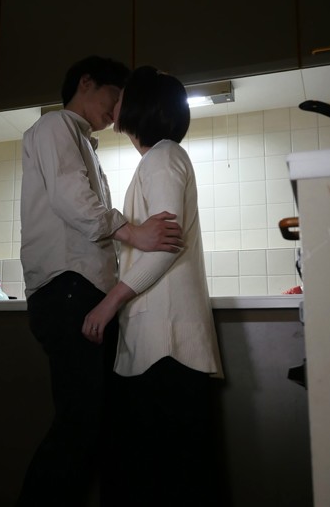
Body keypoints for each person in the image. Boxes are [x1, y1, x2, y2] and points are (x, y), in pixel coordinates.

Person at [16, 56, 184, 507]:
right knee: (79, 423)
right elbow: (73, 200)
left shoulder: (82, 142)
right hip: (67, 290)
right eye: (114, 95)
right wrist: (135, 233)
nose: (116, 109)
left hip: (77, 291)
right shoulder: (56, 125)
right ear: (86, 83)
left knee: (89, 424)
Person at [81, 65, 224, 506]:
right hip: (162, 343)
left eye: (123, 96)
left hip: (167, 344)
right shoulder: (160, 159)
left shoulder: (162, 157)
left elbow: (165, 246)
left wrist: (108, 304)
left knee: (166, 478)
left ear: (141, 104)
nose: (115, 102)